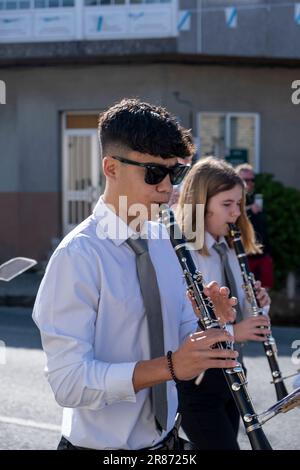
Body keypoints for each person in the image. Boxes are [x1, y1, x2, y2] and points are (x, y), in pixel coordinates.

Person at [32, 99, 238, 451]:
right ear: (111, 168)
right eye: (154, 173)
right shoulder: (78, 255)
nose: (168, 188)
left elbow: (182, 335)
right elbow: (68, 383)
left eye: (176, 173)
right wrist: (170, 367)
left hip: (168, 441)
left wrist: (214, 326)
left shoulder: (166, 242)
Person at [176, 156, 271, 450]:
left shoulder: (227, 248)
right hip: (198, 382)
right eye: (227, 205)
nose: (236, 213)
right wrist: (236, 332)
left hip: (230, 374)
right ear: (201, 204)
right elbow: (181, 329)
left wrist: (260, 305)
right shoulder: (184, 253)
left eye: (239, 204)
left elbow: (240, 309)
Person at [236, 163, 274, 289]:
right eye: (246, 180)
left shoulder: (253, 198)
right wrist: (249, 209)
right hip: (246, 255)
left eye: (252, 180)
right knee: (248, 293)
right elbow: (233, 216)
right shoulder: (235, 198)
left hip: (262, 254)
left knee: (264, 292)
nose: (250, 183)